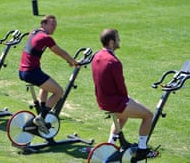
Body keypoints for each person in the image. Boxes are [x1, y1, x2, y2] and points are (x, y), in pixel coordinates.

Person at [91, 28, 154, 160]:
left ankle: (111, 144)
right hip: (115, 102)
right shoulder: (114, 62)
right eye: (118, 39)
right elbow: (121, 87)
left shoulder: (96, 56)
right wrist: (127, 100)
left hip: (102, 100)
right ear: (111, 42)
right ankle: (142, 149)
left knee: (123, 117)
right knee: (148, 115)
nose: (120, 41)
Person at [19, 15, 78, 134]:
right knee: (59, 91)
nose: (54, 27)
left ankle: (42, 112)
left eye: (55, 25)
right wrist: (73, 61)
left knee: (45, 86)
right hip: (32, 72)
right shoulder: (46, 38)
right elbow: (59, 51)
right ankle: (41, 117)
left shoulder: (34, 32)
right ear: (44, 24)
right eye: (52, 24)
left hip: (23, 71)